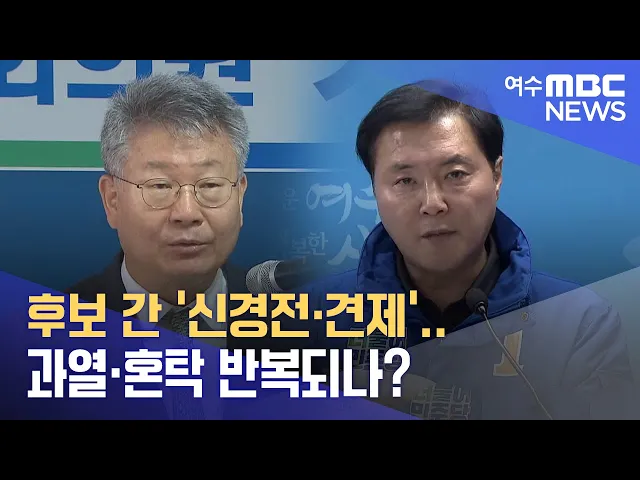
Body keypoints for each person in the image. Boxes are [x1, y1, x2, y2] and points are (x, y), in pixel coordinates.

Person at [297, 79, 636, 419]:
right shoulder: (312, 318)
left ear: (496, 175)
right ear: (374, 190)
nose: (432, 203)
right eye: (405, 181)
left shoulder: (577, 323)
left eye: (455, 174)